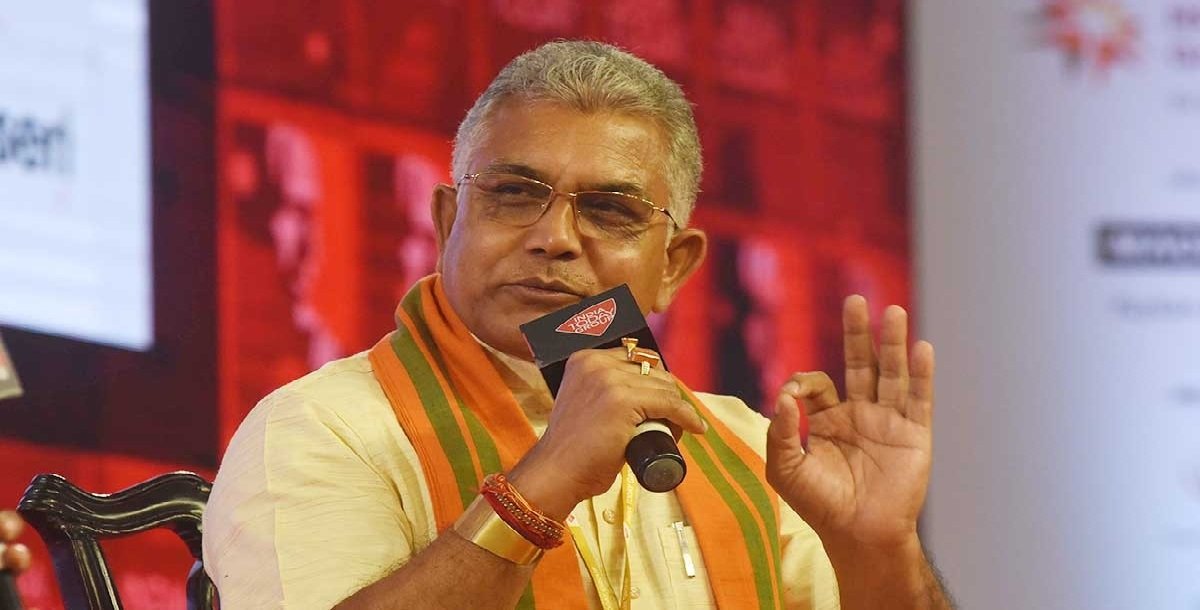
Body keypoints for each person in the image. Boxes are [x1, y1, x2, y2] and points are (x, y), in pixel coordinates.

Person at [203, 40, 953, 609]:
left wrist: (881, 553)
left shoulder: (747, 449)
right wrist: (538, 489)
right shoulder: (323, 428)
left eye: (609, 210)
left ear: (674, 266)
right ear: (447, 222)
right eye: (512, 193)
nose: (554, 237)